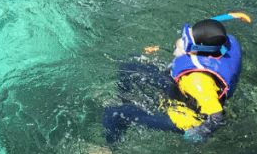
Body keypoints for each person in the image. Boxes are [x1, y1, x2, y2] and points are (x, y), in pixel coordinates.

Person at [101, 15, 247, 145]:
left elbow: (217, 117)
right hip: (182, 89)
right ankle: (124, 97)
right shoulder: (219, 47)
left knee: (115, 112)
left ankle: (107, 149)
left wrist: (199, 133)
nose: (179, 43)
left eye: (187, 42)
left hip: (185, 118)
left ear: (200, 50)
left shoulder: (198, 82)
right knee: (129, 67)